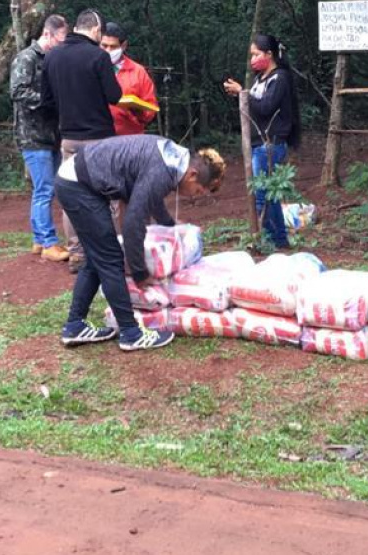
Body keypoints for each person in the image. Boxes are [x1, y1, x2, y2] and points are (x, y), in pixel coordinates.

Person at [54, 135, 226, 351]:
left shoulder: (174, 160)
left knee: (97, 256)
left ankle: (75, 325)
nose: (195, 197)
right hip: (78, 185)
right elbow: (132, 224)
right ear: (192, 175)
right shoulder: (164, 169)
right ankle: (130, 332)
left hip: (78, 180)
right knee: (110, 258)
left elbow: (149, 197)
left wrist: (170, 226)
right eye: (199, 191)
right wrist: (140, 272)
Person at [41, 9, 122, 272]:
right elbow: (114, 96)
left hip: (70, 139)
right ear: (96, 30)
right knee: (108, 197)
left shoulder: (52, 57)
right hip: (100, 140)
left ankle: (76, 253)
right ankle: (108, 251)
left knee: (73, 198)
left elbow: (46, 102)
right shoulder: (99, 56)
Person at [222, 34, 301, 250]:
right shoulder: (260, 78)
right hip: (259, 143)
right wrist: (240, 96)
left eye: (257, 54)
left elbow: (266, 107)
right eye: (252, 55)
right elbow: (256, 107)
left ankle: (273, 241)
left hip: (271, 143)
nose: (253, 59)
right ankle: (275, 240)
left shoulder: (280, 78)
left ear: (269, 54)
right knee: (265, 195)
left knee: (264, 197)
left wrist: (243, 93)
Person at [10, 14, 70, 262]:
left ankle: (38, 239)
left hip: (52, 134)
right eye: (61, 39)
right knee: (44, 189)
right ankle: (48, 243)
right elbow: (17, 91)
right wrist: (47, 99)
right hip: (32, 135)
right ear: (48, 34)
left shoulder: (53, 60)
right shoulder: (26, 58)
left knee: (47, 189)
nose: (63, 44)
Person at [100, 22, 158, 136]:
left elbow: (151, 109)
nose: (108, 50)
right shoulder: (90, 67)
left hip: (129, 139)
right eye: (104, 45)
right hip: (97, 137)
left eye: (113, 46)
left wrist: (138, 111)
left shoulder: (138, 72)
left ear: (123, 45)